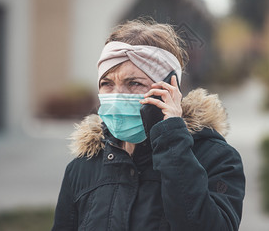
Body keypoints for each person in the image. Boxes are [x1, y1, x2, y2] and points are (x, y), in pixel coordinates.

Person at [52, 20, 245, 231]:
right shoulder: (82, 168)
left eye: (134, 83)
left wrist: (172, 141)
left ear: (169, 90)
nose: (118, 95)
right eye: (107, 83)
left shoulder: (216, 158)